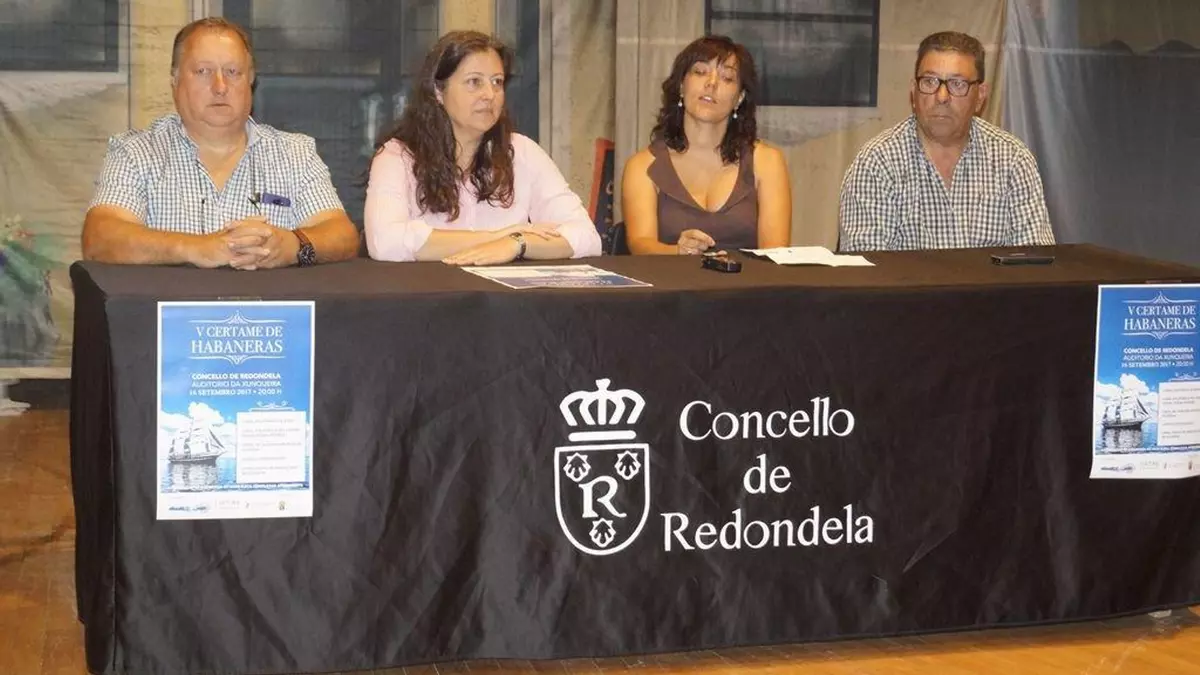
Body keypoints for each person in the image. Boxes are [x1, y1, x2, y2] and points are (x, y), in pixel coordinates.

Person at [83, 18, 359, 269]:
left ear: (251, 81)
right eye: (203, 71)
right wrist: (197, 248)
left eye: (233, 71)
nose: (220, 86)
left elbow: (342, 235)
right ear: (174, 81)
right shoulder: (136, 153)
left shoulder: (294, 154)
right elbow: (100, 237)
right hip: (170, 308)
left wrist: (294, 245)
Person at [364, 31, 600, 265]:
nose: (489, 95)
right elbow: (385, 242)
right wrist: (496, 237)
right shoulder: (397, 156)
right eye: (474, 82)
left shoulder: (522, 152)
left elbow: (586, 236)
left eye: (497, 82)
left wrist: (516, 244)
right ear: (438, 91)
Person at [837, 31, 1055, 252]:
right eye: (930, 82)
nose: (941, 96)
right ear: (913, 91)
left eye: (957, 84)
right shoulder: (877, 164)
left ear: (980, 96)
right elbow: (867, 267)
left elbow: (1034, 260)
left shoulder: (1012, 160)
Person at [621, 35, 791, 255]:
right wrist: (678, 252)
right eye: (700, 72)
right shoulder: (642, 166)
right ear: (681, 86)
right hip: (670, 276)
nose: (711, 83)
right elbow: (640, 245)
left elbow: (776, 254)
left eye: (727, 78)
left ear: (739, 98)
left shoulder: (767, 161)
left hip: (749, 277)